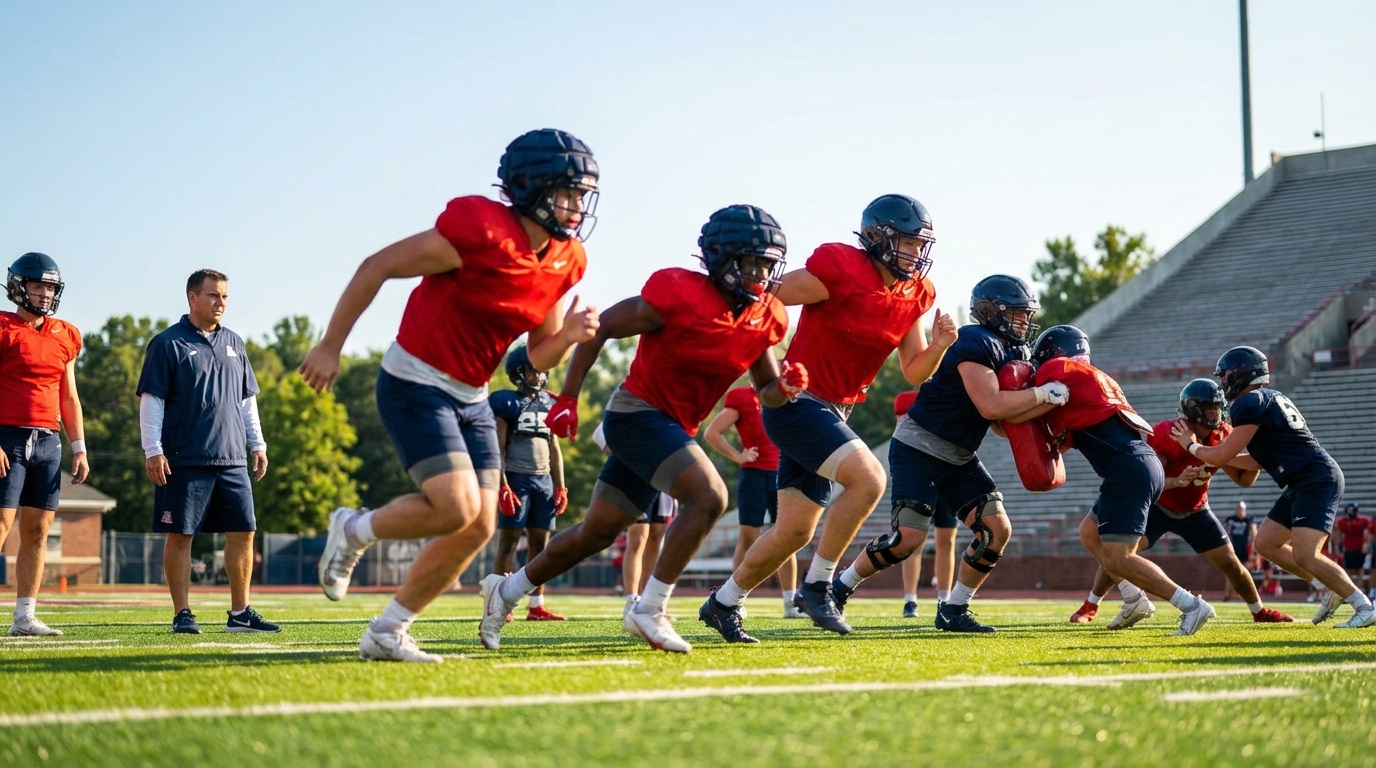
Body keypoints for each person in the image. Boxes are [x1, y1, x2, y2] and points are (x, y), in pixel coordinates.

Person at [304, 128, 601, 662]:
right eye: (568, 191)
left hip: (471, 394)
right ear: (532, 186)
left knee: (480, 524)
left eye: (582, 194)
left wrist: (572, 336)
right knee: (456, 506)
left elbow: (537, 356)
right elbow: (379, 265)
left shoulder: (566, 258)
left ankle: (388, 630)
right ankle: (352, 528)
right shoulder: (479, 228)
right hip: (415, 378)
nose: (577, 205)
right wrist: (331, 345)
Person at [478, 204, 801, 653]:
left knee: (596, 533)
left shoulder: (766, 316)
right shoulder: (678, 293)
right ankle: (650, 609)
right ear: (722, 258)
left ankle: (506, 591)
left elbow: (765, 388)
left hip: (674, 427)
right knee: (709, 498)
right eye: (753, 262)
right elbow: (600, 329)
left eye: (769, 264)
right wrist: (568, 397)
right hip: (636, 413)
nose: (761, 274)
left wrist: (783, 388)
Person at [703, 194, 956, 641]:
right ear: (877, 237)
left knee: (794, 532)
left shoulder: (915, 294)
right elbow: (766, 294)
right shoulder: (840, 266)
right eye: (909, 242)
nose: (917, 253)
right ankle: (820, 585)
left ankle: (723, 603)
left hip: (835, 410)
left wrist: (938, 346)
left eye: (921, 244)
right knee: (869, 479)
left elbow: (914, 369)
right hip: (796, 401)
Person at [829, 275, 1052, 633]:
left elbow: (999, 422)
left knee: (996, 529)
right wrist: (1043, 396)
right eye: (1016, 314)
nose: (1023, 322)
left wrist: (1045, 412)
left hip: (960, 454)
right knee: (908, 540)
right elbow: (991, 405)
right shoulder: (974, 340)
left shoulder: (1012, 351)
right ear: (989, 311)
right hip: (920, 447)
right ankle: (839, 587)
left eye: (1025, 315)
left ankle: (955, 609)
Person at [1035, 325, 1216, 636]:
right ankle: (1133, 599)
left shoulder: (1059, 370)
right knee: (1090, 532)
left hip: (1128, 466)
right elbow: (1071, 436)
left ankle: (1191, 605)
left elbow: (1038, 418)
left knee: (1121, 557)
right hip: (1139, 461)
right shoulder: (1095, 380)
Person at [1176, 346, 1375, 628]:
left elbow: (1222, 454)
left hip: (1314, 478)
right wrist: (1212, 461)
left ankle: (1363, 605)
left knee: (1306, 554)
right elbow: (1258, 460)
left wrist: (1190, 445)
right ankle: (1329, 587)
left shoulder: (1248, 403)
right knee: (1266, 543)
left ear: (1241, 375)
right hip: (1303, 477)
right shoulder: (1269, 398)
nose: (1223, 383)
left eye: (1226, 376)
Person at [1067, 379, 1293, 626]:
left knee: (1231, 563)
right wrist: (1177, 481)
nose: (1217, 414)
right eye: (1211, 409)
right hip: (1158, 506)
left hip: (1196, 509)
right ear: (1195, 410)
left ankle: (1259, 611)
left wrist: (1258, 453)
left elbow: (1243, 479)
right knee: (1119, 553)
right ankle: (1092, 603)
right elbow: (1148, 479)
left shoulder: (1223, 435)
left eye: (1218, 407)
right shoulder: (1168, 434)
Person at [137, 269, 277, 635]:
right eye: (213, 295)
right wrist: (153, 450)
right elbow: (153, 400)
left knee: (244, 531)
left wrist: (257, 444)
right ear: (192, 297)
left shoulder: (235, 342)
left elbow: (248, 401)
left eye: (225, 297)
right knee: (181, 535)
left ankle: (240, 613)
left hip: (232, 458)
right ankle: (183, 613)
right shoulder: (167, 343)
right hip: (185, 457)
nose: (220, 303)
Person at [0, 253, 88, 637]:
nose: (45, 294)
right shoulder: (2, 327)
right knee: (1, 524)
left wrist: (80, 446)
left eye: (50, 287)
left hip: (48, 440)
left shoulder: (66, 333)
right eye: (38, 286)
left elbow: (68, 396)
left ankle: (24, 616)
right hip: (7, 435)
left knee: (37, 530)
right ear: (19, 287)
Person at [703, 385, 802, 619]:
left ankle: (790, 602)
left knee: (787, 538)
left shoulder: (788, 394)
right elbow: (712, 432)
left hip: (783, 474)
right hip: (755, 475)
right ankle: (733, 600)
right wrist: (738, 456)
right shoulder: (742, 397)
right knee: (748, 537)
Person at [490, 346, 568, 621]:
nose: (537, 375)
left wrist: (561, 485)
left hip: (544, 478)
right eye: (532, 370)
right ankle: (497, 600)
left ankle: (536, 604)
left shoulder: (550, 402)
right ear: (518, 373)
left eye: (540, 370)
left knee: (540, 545)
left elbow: (554, 447)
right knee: (509, 540)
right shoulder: (506, 402)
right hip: (516, 478)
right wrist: (503, 484)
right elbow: (498, 448)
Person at [592, 419, 673, 619]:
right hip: (638, 477)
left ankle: (649, 602)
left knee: (656, 539)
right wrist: (619, 457)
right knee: (637, 538)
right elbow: (600, 431)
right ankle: (632, 599)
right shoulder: (636, 399)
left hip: (665, 478)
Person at [889, 390, 957, 619]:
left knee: (946, 540)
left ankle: (944, 598)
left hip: (945, 474)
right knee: (911, 541)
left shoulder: (946, 397)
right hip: (918, 476)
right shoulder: (906, 400)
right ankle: (910, 599)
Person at [1222, 500, 1257, 601]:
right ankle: (1227, 594)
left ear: (1245, 510)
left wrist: (1253, 548)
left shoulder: (1249, 520)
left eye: (1241, 509)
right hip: (1233, 549)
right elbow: (1225, 531)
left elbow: (1254, 532)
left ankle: (1246, 595)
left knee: (1245, 572)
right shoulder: (1230, 519)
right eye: (1238, 509)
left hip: (1244, 549)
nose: (1240, 511)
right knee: (1229, 572)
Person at [1334, 502, 1370, 595]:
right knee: (1348, 569)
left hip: (1359, 546)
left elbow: (1366, 533)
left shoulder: (1363, 520)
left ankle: (1360, 587)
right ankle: (1351, 588)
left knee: (1360, 569)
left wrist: (1365, 544)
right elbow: (1340, 535)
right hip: (1348, 547)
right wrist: (1339, 547)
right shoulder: (1343, 521)